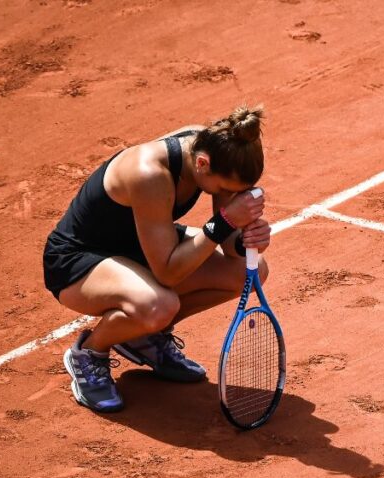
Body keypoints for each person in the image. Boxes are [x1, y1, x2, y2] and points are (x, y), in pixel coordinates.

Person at [42, 105, 271, 413]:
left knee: (247, 271)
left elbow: (229, 245)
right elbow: (168, 273)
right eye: (225, 190)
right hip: (79, 259)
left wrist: (245, 241)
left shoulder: (210, 149)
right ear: (202, 164)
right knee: (159, 305)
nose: (228, 195)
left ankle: (142, 337)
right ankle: (89, 352)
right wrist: (228, 221)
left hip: (144, 245)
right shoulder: (149, 174)